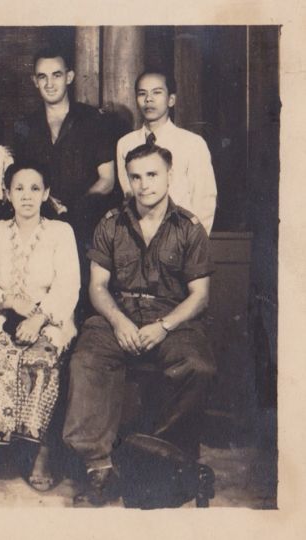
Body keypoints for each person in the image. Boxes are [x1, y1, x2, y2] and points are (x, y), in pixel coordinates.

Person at [62, 144, 216, 507]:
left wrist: (163, 326)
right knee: (85, 361)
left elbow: (200, 296)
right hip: (117, 313)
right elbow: (97, 286)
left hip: (172, 319)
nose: (144, 184)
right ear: (127, 179)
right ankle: (98, 468)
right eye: (136, 176)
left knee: (199, 367)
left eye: (152, 174)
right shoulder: (111, 222)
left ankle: (158, 454)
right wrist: (118, 322)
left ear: (168, 176)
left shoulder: (189, 227)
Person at [0, 161, 80, 492]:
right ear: (7, 193)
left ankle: (40, 454)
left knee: (41, 363)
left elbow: (68, 285)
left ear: (46, 194)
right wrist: (9, 301)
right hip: (1, 315)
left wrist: (40, 317)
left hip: (49, 318)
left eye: (34, 189)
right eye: (18, 188)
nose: (26, 196)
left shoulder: (61, 232)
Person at [13, 47, 120, 314]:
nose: (50, 83)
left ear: (70, 77)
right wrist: (48, 204)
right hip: (40, 221)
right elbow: (21, 179)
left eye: (57, 75)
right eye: (42, 77)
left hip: (86, 224)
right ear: (34, 81)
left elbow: (107, 180)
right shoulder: (25, 125)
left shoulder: (94, 120)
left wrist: (74, 209)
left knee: (82, 296)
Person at [116, 69, 217, 234]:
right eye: (142, 94)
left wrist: (193, 244)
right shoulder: (125, 143)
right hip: (140, 237)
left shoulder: (192, 143)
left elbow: (204, 201)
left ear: (171, 100)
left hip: (181, 237)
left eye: (157, 92)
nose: (149, 99)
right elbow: (129, 195)